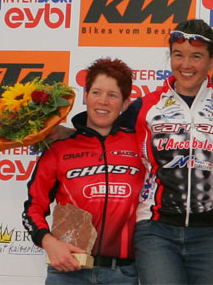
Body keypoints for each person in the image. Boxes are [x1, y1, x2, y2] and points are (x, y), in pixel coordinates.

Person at [119, 19, 213, 284]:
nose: (186, 65)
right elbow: (102, 133)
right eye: (178, 55)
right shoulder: (146, 106)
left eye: (196, 57)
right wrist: (60, 134)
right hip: (157, 230)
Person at [22, 57, 144, 284]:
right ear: (85, 96)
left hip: (123, 274)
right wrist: (48, 242)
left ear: (126, 104)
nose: (103, 101)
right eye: (96, 92)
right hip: (68, 272)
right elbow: (33, 208)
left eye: (113, 95)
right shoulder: (59, 149)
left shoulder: (140, 145)